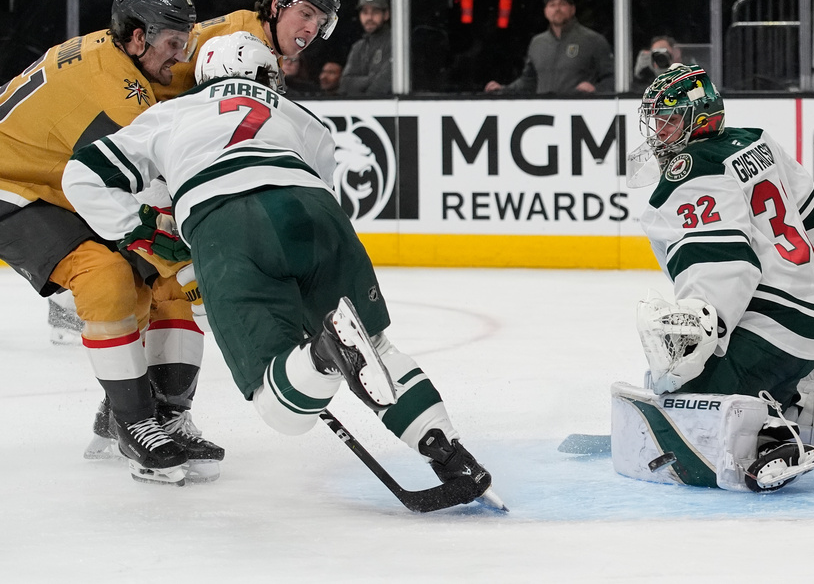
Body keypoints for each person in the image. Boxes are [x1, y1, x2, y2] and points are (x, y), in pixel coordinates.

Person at [62, 32, 505, 509]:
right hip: (316, 217)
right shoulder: (303, 118)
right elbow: (310, 186)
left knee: (284, 410)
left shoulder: (170, 113)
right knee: (376, 349)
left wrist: (141, 230)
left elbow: (81, 175)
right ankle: (450, 454)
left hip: (226, 223)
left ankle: (321, 353)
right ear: (267, 78)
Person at [611, 65, 814, 492]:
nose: (659, 132)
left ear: (699, 117)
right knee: (761, 382)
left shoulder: (692, 170)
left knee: (686, 396)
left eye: (669, 119)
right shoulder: (755, 141)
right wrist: (785, 269)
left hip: (771, 330)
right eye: (656, 120)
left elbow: (725, 267)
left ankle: (767, 441)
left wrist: (699, 336)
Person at [0, 0, 224, 485]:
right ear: (139, 38)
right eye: (173, 44)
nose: (181, 56)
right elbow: (155, 191)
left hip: (59, 183)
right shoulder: (112, 94)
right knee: (109, 277)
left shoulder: (122, 55)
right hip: (11, 186)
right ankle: (132, 422)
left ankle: (158, 416)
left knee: (167, 281)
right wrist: (195, 264)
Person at [154, 0, 340, 101]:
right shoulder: (242, 43)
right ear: (276, 5)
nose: (312, 29)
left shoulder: (264, 40)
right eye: (306, 14)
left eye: (321, 22)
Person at [484, 0, 614, 95]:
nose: (557, 9)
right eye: (552, 5)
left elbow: (613, 78)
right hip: (547, 117)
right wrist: (504, 90)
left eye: (562, 4)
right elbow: (529, 81)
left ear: (572, 9)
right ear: (545, 11)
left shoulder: (593, 40)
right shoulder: (537, 42)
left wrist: (597, 89)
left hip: (580, 116)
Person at [338, 0, 392, 96]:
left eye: (375, 12)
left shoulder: (396, 42)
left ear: (386, 14)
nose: (369, 17)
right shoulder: (358, 47)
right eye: (365, 12)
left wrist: (362, 85)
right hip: (362, 108)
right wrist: (372, 78)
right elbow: (345, 84)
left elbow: (384, 84)